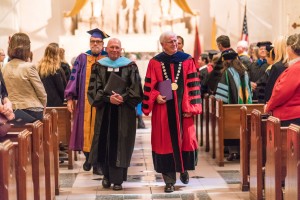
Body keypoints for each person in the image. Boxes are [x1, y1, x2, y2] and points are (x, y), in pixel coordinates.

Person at [142, 31, 202, 193]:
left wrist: (191, 108)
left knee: (185, 140)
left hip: (183, 111)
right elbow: (149, 86)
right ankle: (169, 180)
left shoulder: (187, 60)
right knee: (165, 143)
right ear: (162, 44)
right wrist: (155, 97)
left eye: (175, 41)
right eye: (170, 42)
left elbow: (194, 85)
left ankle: (183, 169)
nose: (174, 44)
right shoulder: (155, 62)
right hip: (163, 110)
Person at [87, 38, 143, 190]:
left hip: (124, 112)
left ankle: (118, 180)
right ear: (106, 48)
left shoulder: (130, 66)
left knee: (121, 144)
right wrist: (107, 98)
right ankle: (106, 176)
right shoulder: (98, 66)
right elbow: (93, 90)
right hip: (105, 110)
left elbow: (136, 89)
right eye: (111, 47)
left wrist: (123, 98)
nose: (114, 50)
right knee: (104, 142)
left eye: (117, 47)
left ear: (121, 49)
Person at [64, 28, 109, 175]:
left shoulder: (108, 58)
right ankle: (90, 159)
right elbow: (73, 78)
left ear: (103, 43)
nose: (95, 44)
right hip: (85, 104)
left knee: (100, 132)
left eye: (98, 42)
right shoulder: (82, 58)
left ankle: (97, 163)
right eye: (92, 41)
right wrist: (70, 98)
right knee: (85, 132)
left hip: (104, 103)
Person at [2, 32, 47, 121]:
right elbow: (42, 94)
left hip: (11, 112)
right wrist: (43, 109)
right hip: (31, 111)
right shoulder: (29, 67)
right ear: (27, 49)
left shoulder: (4, 67)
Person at [265, 33, 300, 126]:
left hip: (291, 117)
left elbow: (281, 92)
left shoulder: (296, 68)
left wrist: (268, 107)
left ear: (290, 48)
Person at [128, 53, 146, 129]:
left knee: (139, 107)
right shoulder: (127, 68)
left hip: (138, 92)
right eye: (132, 60)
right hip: (130, 93)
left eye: (135, 60)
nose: (134, 61)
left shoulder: (136, 68)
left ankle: (140, 122)